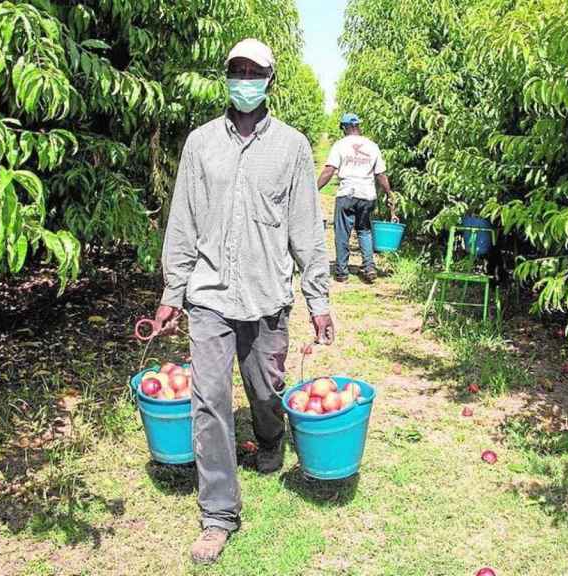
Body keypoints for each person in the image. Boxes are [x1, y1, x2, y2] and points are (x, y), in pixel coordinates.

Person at [149, 38, 335, 565]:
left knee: (264, 389)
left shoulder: (294, 147)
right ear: (226, 76)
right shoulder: (201, 144)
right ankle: (219, 515)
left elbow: (306, 228)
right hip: (209, 296)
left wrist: (317, 299)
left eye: (255, 71)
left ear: (269, 80)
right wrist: (172, 292)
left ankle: (271, 441)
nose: (245, 78)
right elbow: (182, 222)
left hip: (268, 295)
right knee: (209, 402)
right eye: (237, 70)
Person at [316, 113, 396, 284]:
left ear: (344, 128)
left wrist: (314, 189)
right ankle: (369, 268)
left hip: (347, 193)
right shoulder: (372, 146)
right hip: (367, 195)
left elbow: (330, 170)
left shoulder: (340, 145)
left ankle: (341, 272)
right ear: (358, 126)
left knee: (342, 232)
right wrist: (389, 193)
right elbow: (380, 174)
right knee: (364, 230)